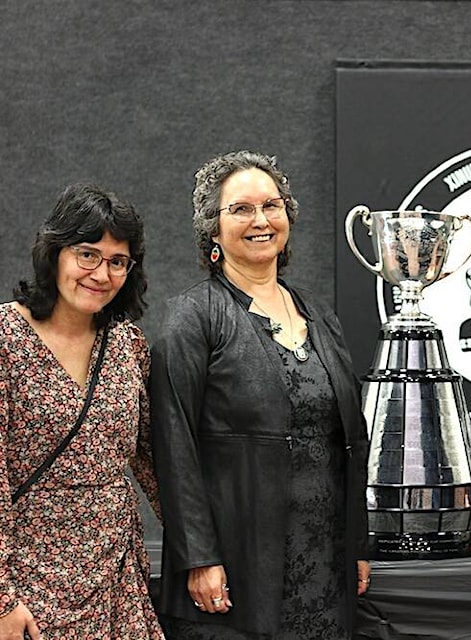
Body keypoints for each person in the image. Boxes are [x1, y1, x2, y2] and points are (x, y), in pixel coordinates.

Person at [150, 150, 370, 639]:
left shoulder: (320, 316)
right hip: (236, 569)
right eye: (241, 209)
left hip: (324, 568)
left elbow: (348, 439)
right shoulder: (193, 318)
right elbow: (173, 448)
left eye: (271, 206)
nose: (261, 220)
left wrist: (355, 544)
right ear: (213, 228)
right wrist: (199, 557)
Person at [0, 183, 162, 639]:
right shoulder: (6, 340)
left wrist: (204, 550)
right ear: (54, 254)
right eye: (87, 254)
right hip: (27, 584)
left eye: (117, 262)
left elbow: (151, 460)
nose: (101, 273)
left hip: (117, 575)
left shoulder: (127, 344)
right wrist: (2, 599)